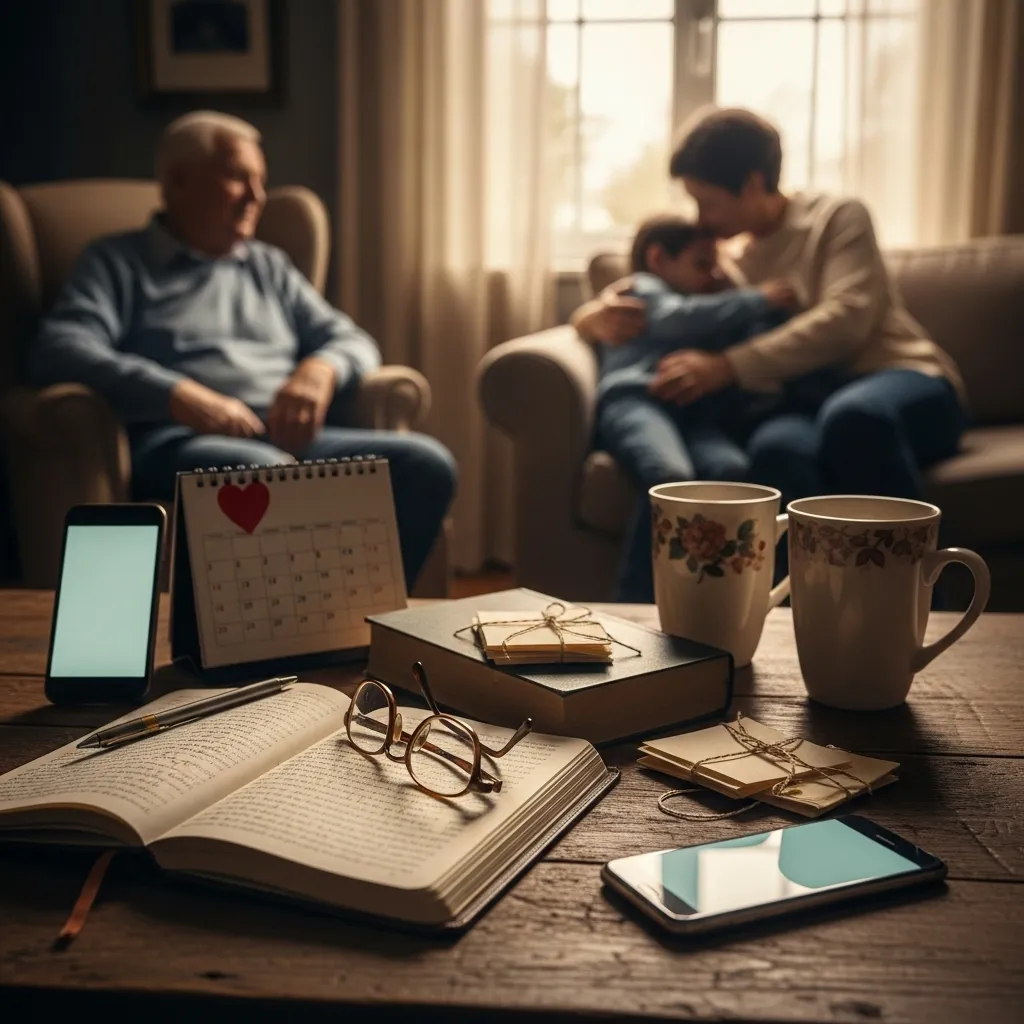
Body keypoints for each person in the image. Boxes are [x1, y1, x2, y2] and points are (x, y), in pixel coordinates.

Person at [28, 111, 456, 592]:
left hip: (288, 434)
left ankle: (363, 615)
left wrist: (319, 370)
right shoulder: (117, 262)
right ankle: (301, 623)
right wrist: (179, 394)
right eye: (238, 178)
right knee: (268, 478)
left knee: (427, 463)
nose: (257, 196)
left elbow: (352, 340)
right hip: (182, 441)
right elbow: (61, 348)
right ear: (178, 183)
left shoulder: (268, 266)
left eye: (261, 181)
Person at [575, 108, 966, 532]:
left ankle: (920, 575)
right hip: (802, 404)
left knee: (854, 419)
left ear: (752, 184)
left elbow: (845, 322)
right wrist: (589, 318)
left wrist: (727, 367)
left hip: (900, 378)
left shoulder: (836, 218)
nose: (700, 219)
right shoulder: (725, 264)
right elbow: (661, 304)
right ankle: (803, 578)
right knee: (774, 451)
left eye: (706, 203)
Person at [581, 213, 797, 602]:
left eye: (714, 266)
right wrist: (758, 298)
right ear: (659, 258)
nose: (711, 275)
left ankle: (716, 599)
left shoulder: (709, 301)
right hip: (637, 402)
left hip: (693, 415)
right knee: (670, 475)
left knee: (731, 471)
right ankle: (633, 602)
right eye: (701, 264)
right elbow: (677, 320)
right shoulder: (643, 289)